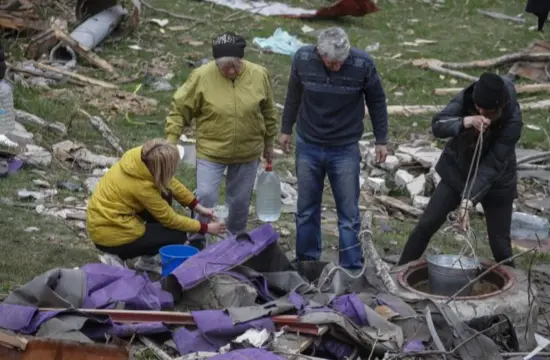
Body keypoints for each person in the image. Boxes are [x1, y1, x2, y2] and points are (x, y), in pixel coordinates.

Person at [279, 27, 389, 270]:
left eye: (342, 61)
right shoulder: (303, 59)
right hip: (308, 143)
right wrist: (286, 128)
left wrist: (381, 139)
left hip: (345, 147)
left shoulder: (362, 64)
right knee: (307, 209)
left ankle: (351, 267)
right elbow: (293, 94)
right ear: (320, 53)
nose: (338, 66)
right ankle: (308, 263)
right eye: (333, 62)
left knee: (348, 214)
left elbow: (377, 100)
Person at [396, 72, 523, 267]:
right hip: (458, 171)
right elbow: (438, 125)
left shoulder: (513, 120)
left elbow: (491, 166)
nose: (481, 113)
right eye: (478, 108)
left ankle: (516, 291)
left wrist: (467, 202)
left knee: (500, 245)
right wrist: (466, 121)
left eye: (487, 112)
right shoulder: (469, 95)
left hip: (497, 182)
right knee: (426, 225)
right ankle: (399, 273)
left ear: (500, 107)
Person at [165, 32, 278, 246]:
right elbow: (180, 108)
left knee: (240, 202)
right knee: (206, 195)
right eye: (225, 67)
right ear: (216, 63)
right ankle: (198, 236)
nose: (231, 71)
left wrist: (269, 144)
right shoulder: (202, 76)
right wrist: (171, 140)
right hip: (212, 150)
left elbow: (269, 112)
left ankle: (234, 242)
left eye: (235, 65)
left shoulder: (258, 75)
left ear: (241, 59)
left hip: (248, 151)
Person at [87, 139, 226, 272]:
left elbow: (171, 182)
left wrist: (197, 207)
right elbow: (171, 220)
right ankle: (116, 255)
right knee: (178, 234)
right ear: (161, 168)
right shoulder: (142, 187)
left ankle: (140, 254)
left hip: (105, 222)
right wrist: (205, 228)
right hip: (108, 234)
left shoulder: (139, 159)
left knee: (165, 194)